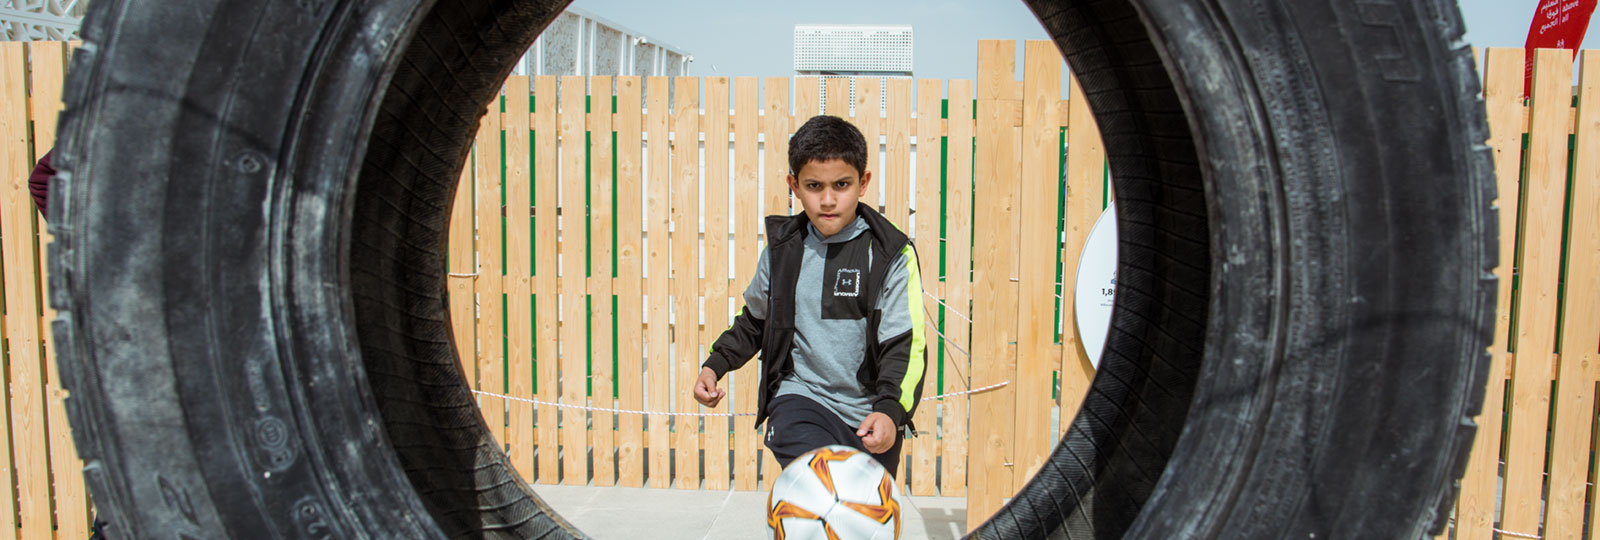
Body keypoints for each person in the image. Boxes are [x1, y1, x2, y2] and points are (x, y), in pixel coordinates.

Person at [693, 115, 927, 475]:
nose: (829, 199)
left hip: (869, 415)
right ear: (794, 185)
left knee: (862, 524)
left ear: (863, 183)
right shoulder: (782, 250)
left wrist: (890, 409)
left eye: (842, 184)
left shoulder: (891, 255)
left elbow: (904, 345)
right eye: (815, 185)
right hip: (801, 399)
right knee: (816, 492)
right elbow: (756, 321)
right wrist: (715, 365)